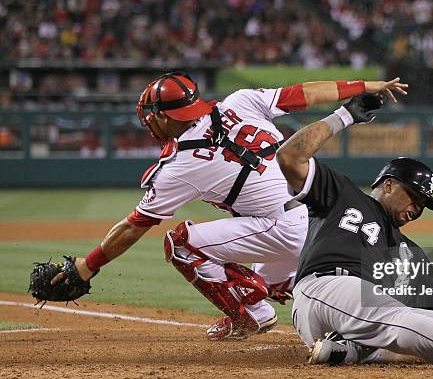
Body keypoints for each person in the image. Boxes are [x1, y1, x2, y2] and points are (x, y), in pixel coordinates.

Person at [50, 71, 408, 340]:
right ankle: (301, 286)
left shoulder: (180, 165)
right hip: (320, 218)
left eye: (150, 117)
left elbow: (134, 225)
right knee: (273, 275)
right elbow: (302, 94)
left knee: (180, 243)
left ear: (161, 117)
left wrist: (88, 266)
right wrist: (361, 86)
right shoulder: (239, 102)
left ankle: (251, 313)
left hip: (282, 229)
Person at [275, 94, 433, 366]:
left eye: (423, 204)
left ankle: (346, 350)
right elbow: (290, 156)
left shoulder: (409, 252)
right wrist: (343, 116)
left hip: (357, 320)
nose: (417, 207)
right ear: (388, 185)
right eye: (413, 195)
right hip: (322, 289)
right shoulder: (342, 193)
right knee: (390, 314)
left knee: (427, 322)